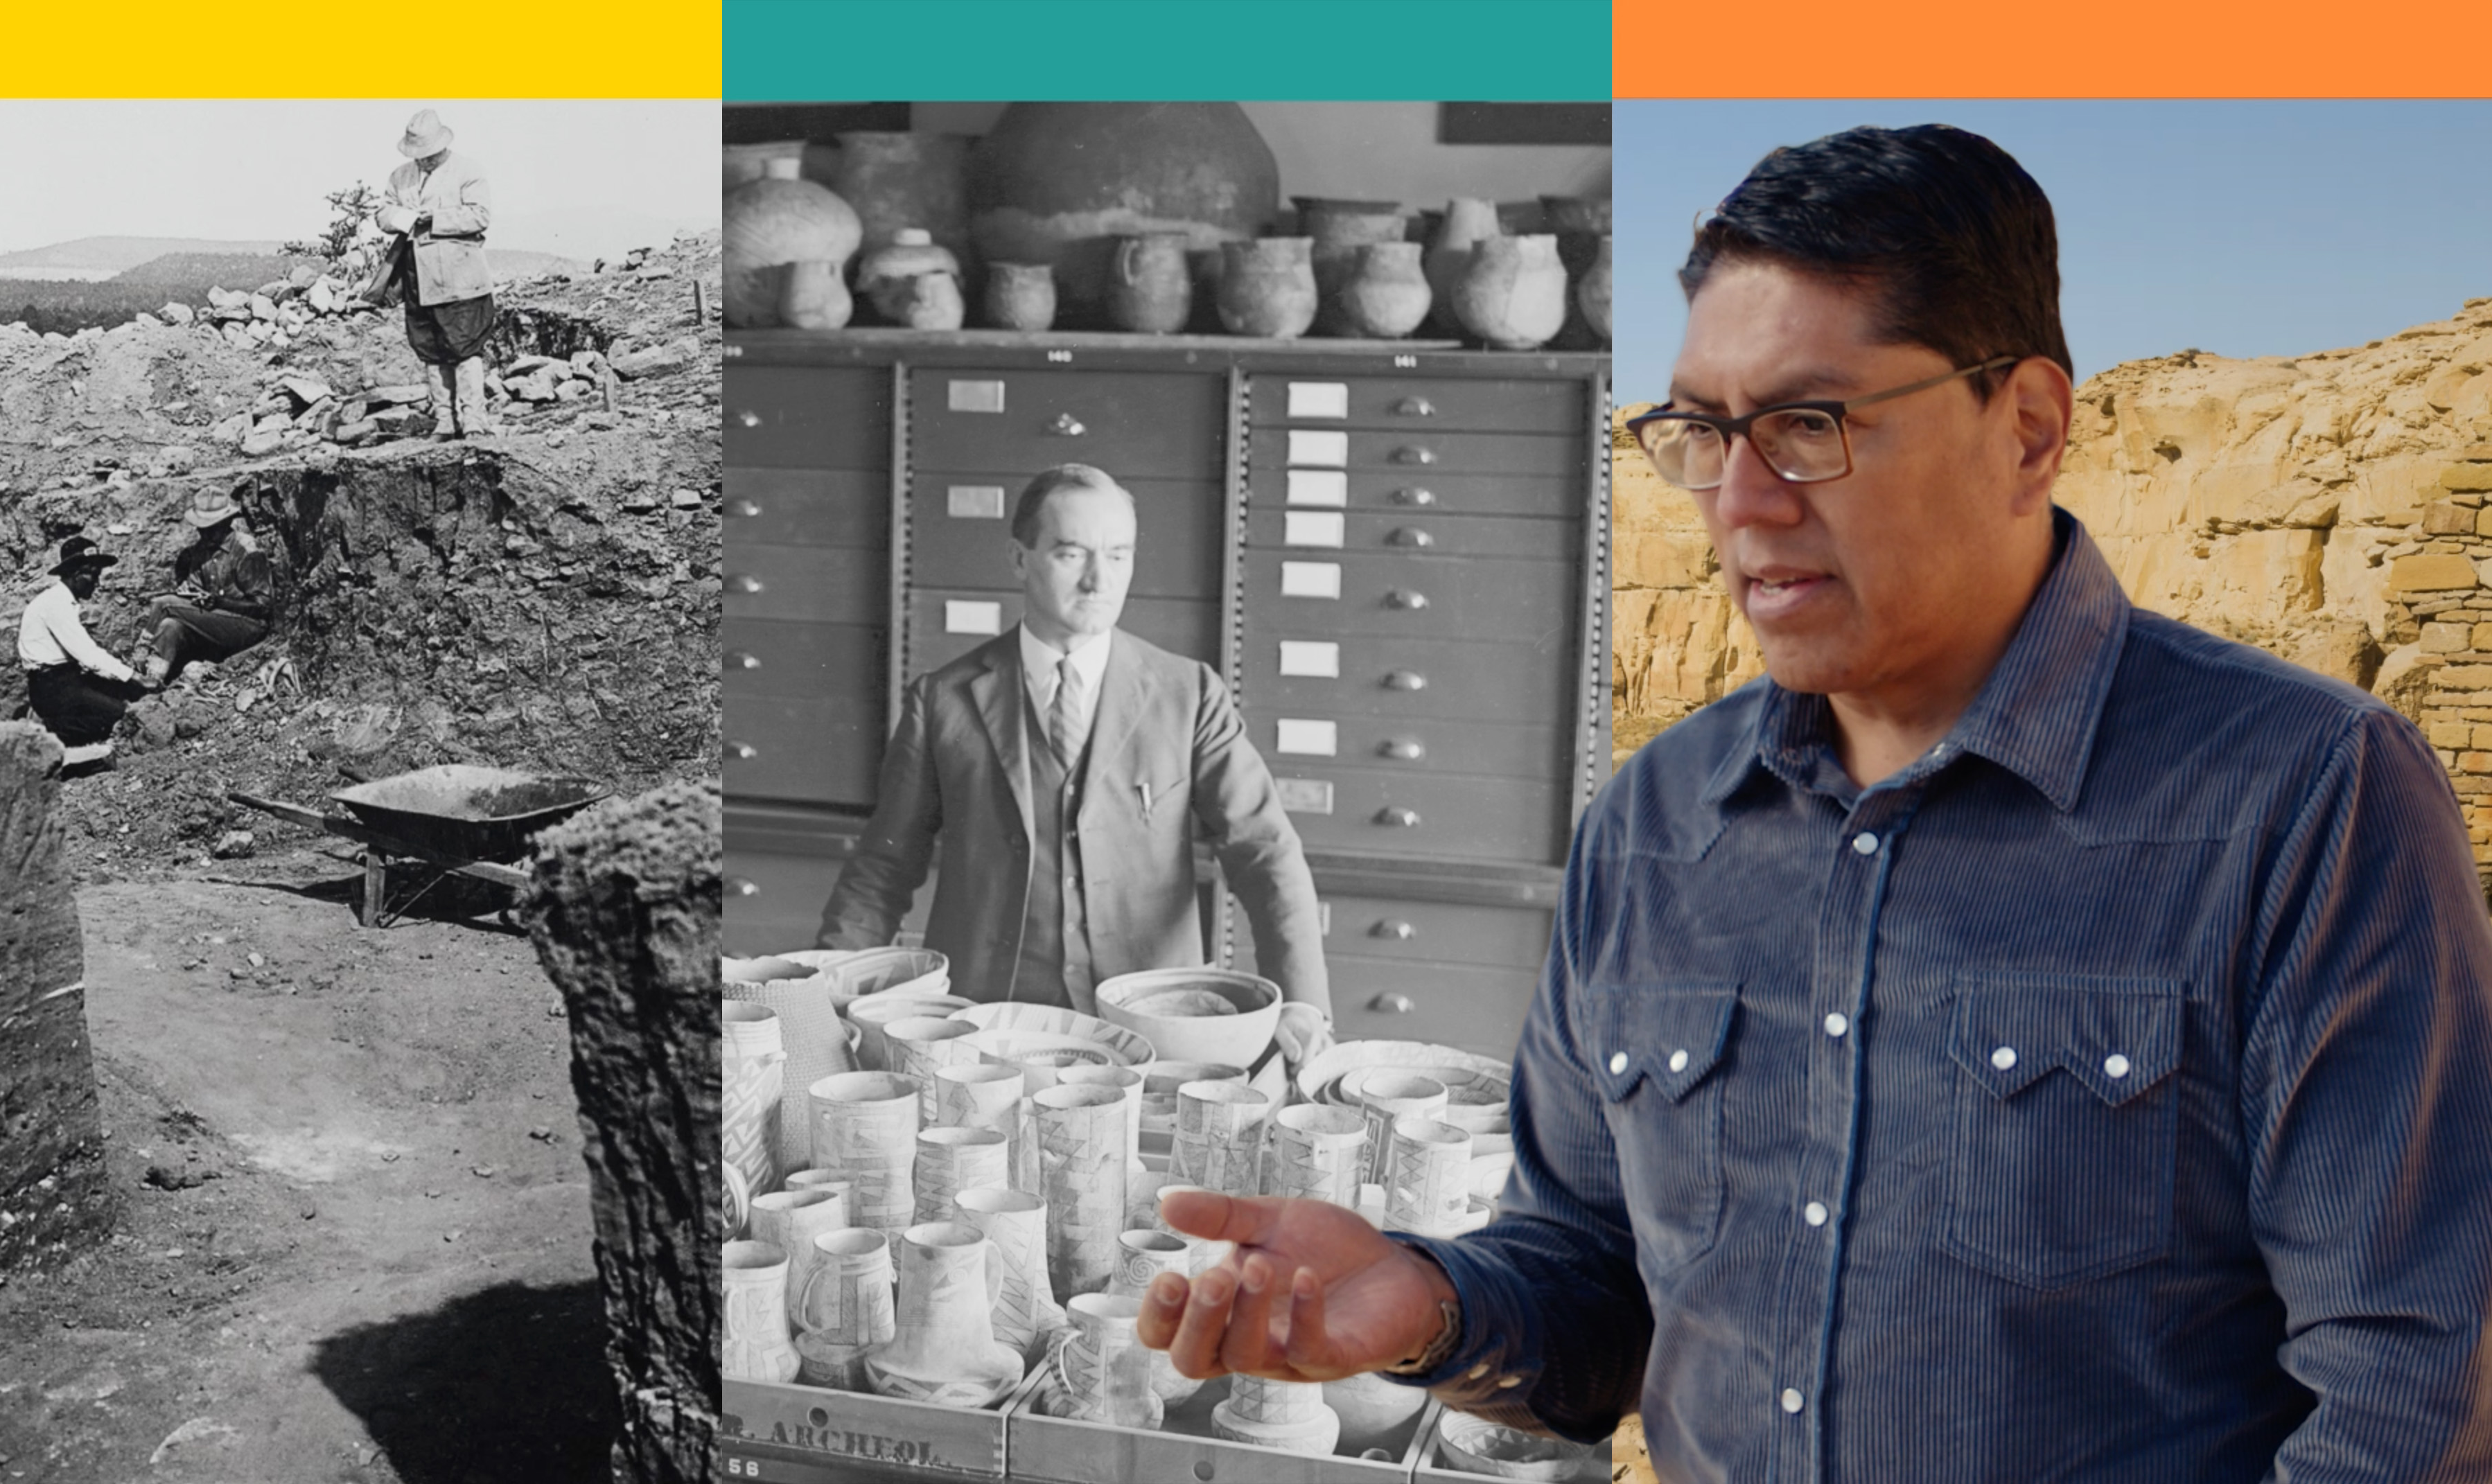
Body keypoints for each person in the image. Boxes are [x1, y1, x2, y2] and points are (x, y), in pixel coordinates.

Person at [1139, 125, 2492, 1480]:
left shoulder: (2307, 803)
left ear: (2026, 428)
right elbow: (1601, 1290)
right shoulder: (1655, 827)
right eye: (1705, 433)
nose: (1739, 502)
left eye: (1807, 425)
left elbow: (2415, 1406)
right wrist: (1422, 1304)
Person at [818, 463, 1335, 1064]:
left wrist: (1302, 1003)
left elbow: (1266, 852)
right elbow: (882, 870)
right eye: (1071, 554)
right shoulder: (944, 700)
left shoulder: (1188, 694)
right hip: (985, 1032)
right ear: (1019, 559)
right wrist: (818, 1002)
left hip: (1154, 1031)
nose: (1099, 580)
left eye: (1119, 555)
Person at [376, 108, 495, 439]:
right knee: (430, 347)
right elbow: (383, 213)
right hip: (419, 277)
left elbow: (479, 216)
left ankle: (474, 421)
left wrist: (434, 218)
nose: (424, 161)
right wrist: (401, 217)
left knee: (464, 347)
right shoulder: (401, 176)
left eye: (429, 155)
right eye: (419, 156)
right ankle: (445, 420)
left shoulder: (468, 171)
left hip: (461, 277)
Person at [18, 535, 144, 766]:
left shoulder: (63, 601)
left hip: (67, 678)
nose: (97, 584)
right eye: (93, 576)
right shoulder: (55, 605)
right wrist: (134, 677)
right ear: (76, 573)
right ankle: (48, 735)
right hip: (53, 687)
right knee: (117, 716)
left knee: (120, 696)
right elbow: (88, 654)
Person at [139, 489, 276, 687]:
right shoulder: (201, 551)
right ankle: (152, 682)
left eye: (211, 528)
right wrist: (192, 597)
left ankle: (140, 656)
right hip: (214, 625)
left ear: (226, 523)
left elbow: (263, 607)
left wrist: (221, 603)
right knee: (170, 626)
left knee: (163, 604)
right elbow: (194, 592)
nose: (205, 533)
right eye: (202, 528)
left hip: (248, 627)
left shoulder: (247, 550)